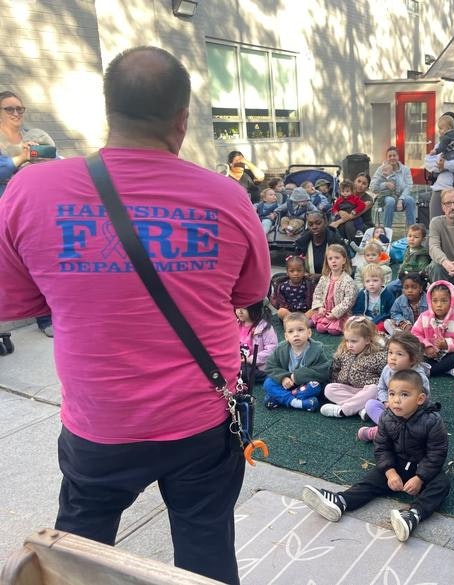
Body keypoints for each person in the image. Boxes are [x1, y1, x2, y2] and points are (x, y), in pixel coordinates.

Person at [0, 48, 270, 584]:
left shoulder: (31, 189)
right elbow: (249, 292)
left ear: (108, 110)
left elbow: (17, 304)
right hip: (202, 421)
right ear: (182, 119)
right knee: (207, 554)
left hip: (99, 425)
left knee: (76, 559)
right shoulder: (227, 197)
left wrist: (89, 286)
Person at [302, 369, 450, 542]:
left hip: (422, 466)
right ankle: (341, 501)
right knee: (373, 478)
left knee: (442, 484)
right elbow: (381, 447)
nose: (396, 400)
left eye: (404, 394)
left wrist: (420, 478)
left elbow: (437, 453)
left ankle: (413, 515)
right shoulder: (387, 417)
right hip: (397, 463)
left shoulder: (432, 421)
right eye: (392, 393)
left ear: (420, 399)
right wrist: (390, 472)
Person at [0, 90, 56, 336]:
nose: (15, 113)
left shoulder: (33, 136)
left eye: (19, 109)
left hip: (32, 208)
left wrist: (41, 156)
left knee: (39, 261)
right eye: (9, 109)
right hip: (5, 210)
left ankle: (48, 316)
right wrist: (21, 157)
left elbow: (51, 159)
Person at [358, 331, 432, 441]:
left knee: (423, 423)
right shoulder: (388, 369)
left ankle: (382, 432)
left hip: (410, 413)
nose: (393, 357)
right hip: (392, 408)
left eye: (399, 354)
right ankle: (392, 430)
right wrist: (386, 402)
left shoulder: (418, 377)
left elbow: (423, 401)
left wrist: (402, 408)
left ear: (412, 359)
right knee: (370, 404)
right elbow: (381, 388)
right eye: (390, 352)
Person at [321, 316, 387, 418]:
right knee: (329, 389)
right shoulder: (343, 352)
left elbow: (385, 376)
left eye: (354, 341)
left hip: (367, 392)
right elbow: (335, 369)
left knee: (374, 389)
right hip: (349, 389)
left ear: (367, 340)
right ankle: (360, 408)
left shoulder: (378, 355)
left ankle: (342, 411)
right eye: (347, 341)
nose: (349, 345)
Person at [263, 312, 330, 412]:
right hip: (286, 384)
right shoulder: (281, 348)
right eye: (291, 331)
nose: (296, 334)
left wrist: (297, 376)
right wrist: (283, 378)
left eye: (300, 330)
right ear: (286, 336)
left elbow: (324, 372)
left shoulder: (317, 349)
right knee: (268, 383)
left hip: (305, 385)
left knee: (315, 387)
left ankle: (279, 398)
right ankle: (298, 403)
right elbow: (270, 366)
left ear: (309, 333)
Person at [411, 280, 454, 378]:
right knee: (414, 355)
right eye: (435, 301)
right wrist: (427, 346)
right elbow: (415, 334)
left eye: (444, 301)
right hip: (429, 354)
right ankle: (447, 370)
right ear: (429, 301)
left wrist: (447, 344)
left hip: (448, 355)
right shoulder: (424, 317)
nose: (439, 305)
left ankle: (431, 371)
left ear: (452, 301)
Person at [310, 244, 357, 336]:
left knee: (333, 331)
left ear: (343, 260)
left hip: (340, 314)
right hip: (325, 312)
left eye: (337, 258)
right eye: (330, 259)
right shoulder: (324, 278)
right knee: (320, 328)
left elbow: (348, 301)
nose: (333, 261)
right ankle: (321, 321)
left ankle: (334, 324)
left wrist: (335, 313)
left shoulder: (348, 281)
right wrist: (319, 307)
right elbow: (317, 294)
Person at [370, 146, 415, 229]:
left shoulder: (405, 170)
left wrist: (401, 199)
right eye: (390, 156)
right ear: (387, 158)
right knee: (390, 200)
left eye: (394, 155)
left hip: (400, 198)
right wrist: (385, 184)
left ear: (398, 156)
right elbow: (372, 187)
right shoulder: (381, 169)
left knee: (410, 200)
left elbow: (409, 186)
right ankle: (387, 231)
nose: (392, 158)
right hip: (385, 198)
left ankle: (412, 231)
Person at [236, 301, 278, 387]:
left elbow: (272, 350)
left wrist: (250, 359)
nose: (239, 311)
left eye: (244, 308)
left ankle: (268, 377)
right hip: (238, 361)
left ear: (255, 308)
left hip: (258, 365)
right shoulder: (235, 324)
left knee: (244, 372)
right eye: (237, 307)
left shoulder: (264, 327)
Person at [294, 211, 347, 275]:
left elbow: (346, 267)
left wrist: (320, 277)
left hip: (333, 281)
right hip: (309, 281)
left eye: (318, 223)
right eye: (310, 224)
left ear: (325, 222)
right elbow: (296, 267)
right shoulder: (302, 242)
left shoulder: (336, 241)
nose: (314, 227)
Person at [386, 223, 431, 297]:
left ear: (423, 239)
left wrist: (408, 274)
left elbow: (423, 271)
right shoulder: (408, 249)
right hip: (403, 277)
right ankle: (393, 305)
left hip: (414, 280)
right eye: (409, 236)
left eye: (416, 237)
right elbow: (404, 263)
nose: (412, 239)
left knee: (404, 292)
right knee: (390, 288)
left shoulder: (421, 255)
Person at [330, 174, 374, 241]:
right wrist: (340, 211)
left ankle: (353, 247)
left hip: (363, 225)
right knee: (343, 225)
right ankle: (343, 244)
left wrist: (337, 222)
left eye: (364, 183)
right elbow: (338, 206)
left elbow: (353, 215)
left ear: (367, 187)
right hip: (347, 221)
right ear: (354, 182)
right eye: (358, 181)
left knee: (348, 224)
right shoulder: (346, 193)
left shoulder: (369, 200)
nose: (360, 185)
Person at [352, 264, 395, 330]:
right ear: (364, 283)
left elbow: (390, 312)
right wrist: (360, 319)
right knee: (353, 325)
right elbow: (357, 311)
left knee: (383, 326)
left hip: (381, 320)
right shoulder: (362, 294)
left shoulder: (387, 294)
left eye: (375, 280)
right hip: (365, 319)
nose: (371, 284)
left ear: (382, 281)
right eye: (367, 281)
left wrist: (375, 321)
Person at [385, 271, 429, 336]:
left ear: (420, 288)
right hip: (408, 328)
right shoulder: (399, 300)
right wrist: (403, 323)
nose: (409, 290)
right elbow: (394, 313)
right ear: (402, 289)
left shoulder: (428, 299)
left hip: (424, 328)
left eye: (414, 287)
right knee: (388, 322)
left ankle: (412, 337)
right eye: (406, 287)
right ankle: (404, 336)